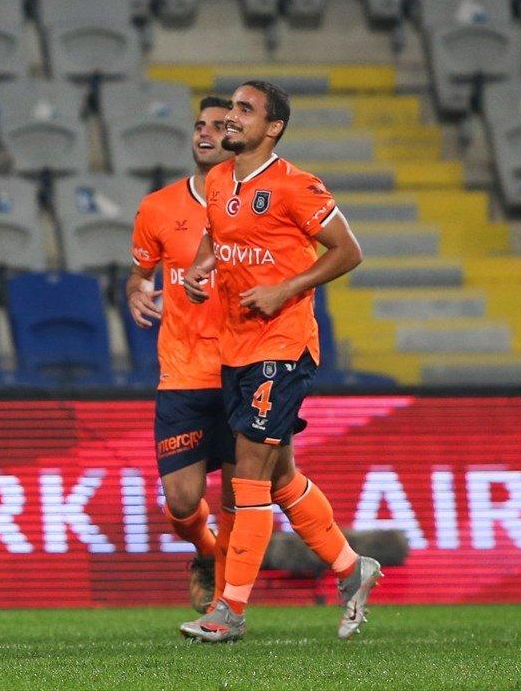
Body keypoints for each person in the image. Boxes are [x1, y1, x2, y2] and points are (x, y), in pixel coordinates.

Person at [178, 81, 381, 643]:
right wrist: (200, 272)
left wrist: (284, 289)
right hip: (235, 344)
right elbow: (219, 241)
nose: (230, 119)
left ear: (273, 128)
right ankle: (351, 568)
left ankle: (230, 610)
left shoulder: (297, 186)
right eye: (230, 110)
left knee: (249, 475)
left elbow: (348, 250)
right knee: (282, 475)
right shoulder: (219, 181)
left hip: (283, 344)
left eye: (245, 111)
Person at [127, 96, 235, 612]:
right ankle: (206, 553)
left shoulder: (259, 205)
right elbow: (140, 272)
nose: (205, 133)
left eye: (218, 126)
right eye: (199, 126)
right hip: (184, 373)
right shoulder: (157, 207)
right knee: (182, 501)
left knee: (243, 497)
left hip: (245, 367)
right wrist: (135, 291)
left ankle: (230, 603)